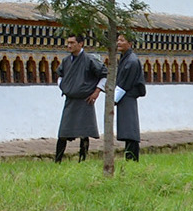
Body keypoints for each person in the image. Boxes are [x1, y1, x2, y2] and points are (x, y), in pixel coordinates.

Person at [55, 33, 106, 162]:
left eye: (72, 43)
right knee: (63, 132)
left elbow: (104, 74)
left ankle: (82, 159)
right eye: (68, 43)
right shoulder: (66, 61)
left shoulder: (90, 60)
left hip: (85, 101)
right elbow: (60, 76)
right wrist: (64, 87)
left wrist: (97, 92)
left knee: (84, 132)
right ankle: (57, 160)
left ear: (80, 44)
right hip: (70, 100)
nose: (69, 45)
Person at [111, 32, 146, 162]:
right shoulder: (125, 57)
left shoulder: (131, 61)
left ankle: (132, 159)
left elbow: (124, 84)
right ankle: (130, 158)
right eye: (118, 40)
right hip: (124, 97)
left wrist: (113, 99)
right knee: (127, 128)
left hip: (127, 97)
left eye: (122, 40)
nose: (118, 42)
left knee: (129, 129)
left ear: (130, 44)